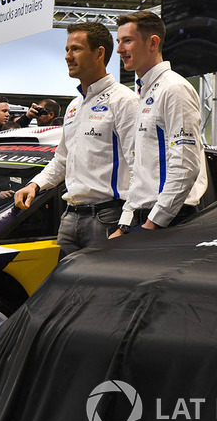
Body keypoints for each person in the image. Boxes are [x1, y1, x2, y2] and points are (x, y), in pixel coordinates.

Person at [14, 22, 138, 256]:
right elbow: (62, 160)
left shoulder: (124, 101)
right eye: (67, 50)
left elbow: (139, 166)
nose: (68, 57)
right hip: (69, 218)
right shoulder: (74, 106)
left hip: (106, 219)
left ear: (99, 53)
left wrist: (125, 223)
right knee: (68, 292)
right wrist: (35, 184)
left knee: (101, 292)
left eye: (76, 49)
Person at [110, 10, 207, 237]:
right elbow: (140, 170)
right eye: (118, 42)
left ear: (153, 43)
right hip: (145, 219)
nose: (119, 50)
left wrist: (154, 223)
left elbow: (185, 166)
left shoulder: (174, 89)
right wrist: (124, 224)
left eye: (127, 41)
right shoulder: (146, 92)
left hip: (169, 221)